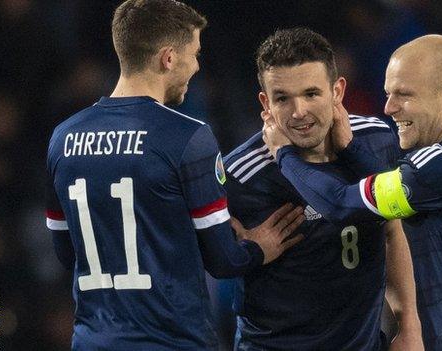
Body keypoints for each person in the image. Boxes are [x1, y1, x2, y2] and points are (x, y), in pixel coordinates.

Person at [263, 34, 442, 350]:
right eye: (388, 93)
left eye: (403, 94)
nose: (389, 107)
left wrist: (284, 154)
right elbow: (408, 187)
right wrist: (351, 149)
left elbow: (340, 205)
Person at [45, 1, 304, 350]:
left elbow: (67, 253)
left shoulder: (63, 138)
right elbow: (224, 260)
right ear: (168, 58)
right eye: (194, 53)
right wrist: (257, 248)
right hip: (171, 341)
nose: (197, 66)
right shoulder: (186, 136)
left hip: (93, 340)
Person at [224, 28, 423, 351]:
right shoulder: (241, 174)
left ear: (337, 91)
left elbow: (392, 231)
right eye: (282, 98)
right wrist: (246, 253)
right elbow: (208, 259)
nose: (299, 111)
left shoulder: (376, 141)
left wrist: (409, 327)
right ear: (265, 102)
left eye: (311, 94)